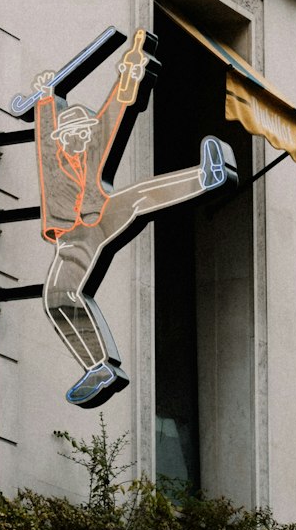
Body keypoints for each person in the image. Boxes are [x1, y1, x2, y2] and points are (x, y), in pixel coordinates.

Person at [31, 28, 236, 408]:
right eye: (71, 134)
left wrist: (135, 61)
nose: (77, 140)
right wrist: (46, 96)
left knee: (139, 198)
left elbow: (117, 107)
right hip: (71, 236)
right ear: (62, 137)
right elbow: (45, 132)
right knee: (58, 296)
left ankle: (206, 176)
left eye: (82, 132)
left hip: (101, 213)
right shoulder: (52, 156)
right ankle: (98, 366)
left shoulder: (94, 145)